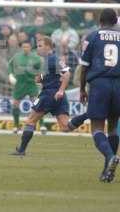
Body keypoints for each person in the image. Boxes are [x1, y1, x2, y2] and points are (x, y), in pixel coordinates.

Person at [76, 9, 120, 182]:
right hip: (118, 84)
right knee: (113, 126)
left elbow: (84, 66)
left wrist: (82, 89)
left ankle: (110, 157)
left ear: (100, 21)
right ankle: (107, 171)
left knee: (97, 128)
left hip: (100, 84)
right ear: (115, 21)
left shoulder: (93, 36)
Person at [12, 36, 72, 156]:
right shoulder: (48, 60)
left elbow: (67, 74)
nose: (38, 48)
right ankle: (87, 115)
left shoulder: (53, 58)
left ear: (48, 46)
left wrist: (60, 90)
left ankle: (21, 150)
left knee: (30, 121)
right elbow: (48, 76)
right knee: (65, 127)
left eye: (40, 46)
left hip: (48, 94)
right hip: (58, 96)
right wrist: (40, 79)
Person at [8, 40, 44, 134]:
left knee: (37, 103)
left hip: (31, 84)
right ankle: (16, 126)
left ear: (30, 48)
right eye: (24, 47)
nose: (25, 49)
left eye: (27, 47)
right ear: (21, 48)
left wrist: (40, 78)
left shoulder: (36, 58)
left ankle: (42, 125)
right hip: (19, 84)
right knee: (15, 104)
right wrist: (11, 75)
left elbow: (40, 69)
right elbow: (10, 65)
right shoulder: (17, 57)